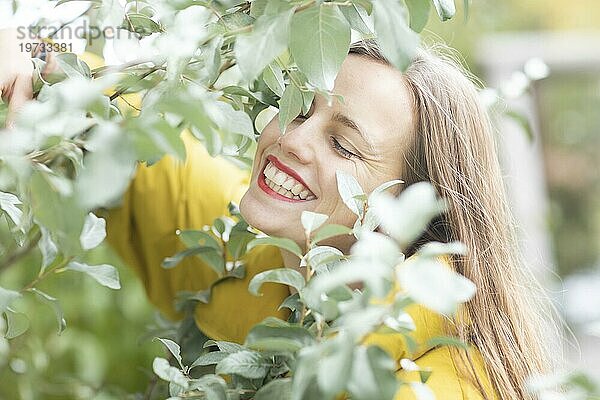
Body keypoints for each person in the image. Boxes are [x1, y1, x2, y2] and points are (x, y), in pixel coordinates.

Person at [0, 28, 559, 399]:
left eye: (344, 145)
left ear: (409, 217)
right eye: (301, 108)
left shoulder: (435, 385)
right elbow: (138, 145)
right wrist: (35, 57)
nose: (292, 139)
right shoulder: (254, 269)